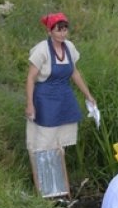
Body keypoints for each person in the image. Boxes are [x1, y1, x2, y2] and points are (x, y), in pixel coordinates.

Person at [25, 12, 95, 196]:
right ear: (50, 31)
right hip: (45, 97)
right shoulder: (41, 50)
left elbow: (75, 73)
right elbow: (31, 78)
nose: (63, 34)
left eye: (65, 29)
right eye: (59, 30)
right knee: (44, 141)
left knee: (59, 142)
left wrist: (88, 95)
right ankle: (44, 188)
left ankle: (60, 187)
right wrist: (30, 104)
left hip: (64, 96)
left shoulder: (69, 47)